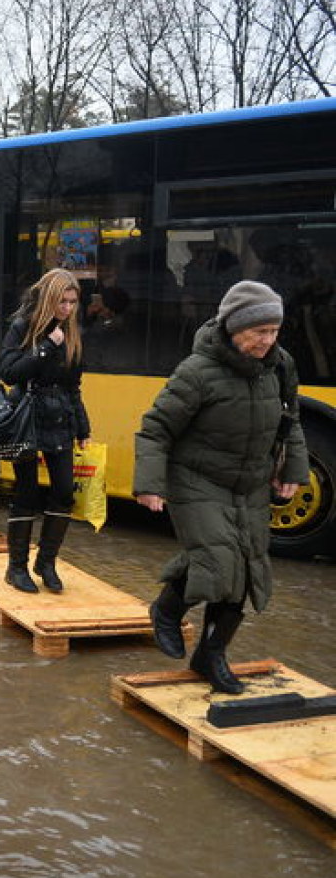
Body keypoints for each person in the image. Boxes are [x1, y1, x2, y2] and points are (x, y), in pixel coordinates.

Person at [135, 281, 308, 694]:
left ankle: (211, 655)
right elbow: (155, 429)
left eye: (274, 330)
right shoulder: (197, 372)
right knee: (219, 557)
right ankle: (166, 610)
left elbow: (291, 420)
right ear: (234, 327)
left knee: (245, 567)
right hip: (197, 478)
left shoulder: (280, 366)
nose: (268, 340)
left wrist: (293, 471)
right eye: (259, 331)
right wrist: (149, 484)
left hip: (247, 483)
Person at [0, 268, 91, 593]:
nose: (67, 309)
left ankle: (46, 562)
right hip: (26, 416)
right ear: (49, 299)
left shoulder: (73, 333)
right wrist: (45, 347)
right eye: (62, 302)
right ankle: (16, 567)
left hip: (60, 419)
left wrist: (83, 426)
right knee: (26, 492)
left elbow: (73, 386)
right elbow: (9, 373)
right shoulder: (23, 326)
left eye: (72, 302)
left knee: (64, 490)